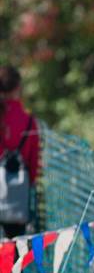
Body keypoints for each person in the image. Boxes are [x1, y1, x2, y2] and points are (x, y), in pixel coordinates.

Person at [0, 65, 40, 239]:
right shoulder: (29, 121)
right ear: (18, 87)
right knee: (14, 250)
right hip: (17, 196)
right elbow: (33, 163)